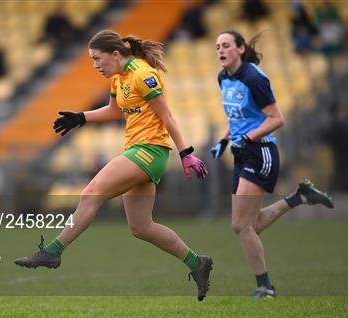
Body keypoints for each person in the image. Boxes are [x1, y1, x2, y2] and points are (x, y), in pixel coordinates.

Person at [14, 30, 213, 301]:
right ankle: (197, 263)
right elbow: (114, 111)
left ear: (115, 54)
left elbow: (167, 115)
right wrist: (81, 117)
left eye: (98, 58)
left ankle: (52, 251)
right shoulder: (118, 78)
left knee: (91, 193)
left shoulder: (143, 74)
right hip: (137, 151)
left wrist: (186, 153)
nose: (96, 65)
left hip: (150, 151)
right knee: (141, 227)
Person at [211, 30, 334, 299]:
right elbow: (235, 118)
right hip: (242, 152)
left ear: (241, 49)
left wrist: (248, 137)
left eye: (226, 45)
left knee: (240, 225)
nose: (220, 50)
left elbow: (277, 118)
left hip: (261, 151)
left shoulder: (254, 78)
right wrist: (223, 140)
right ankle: (300, 196)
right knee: (247, 225)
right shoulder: (223, 77)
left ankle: (265, 287)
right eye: (217, 46)